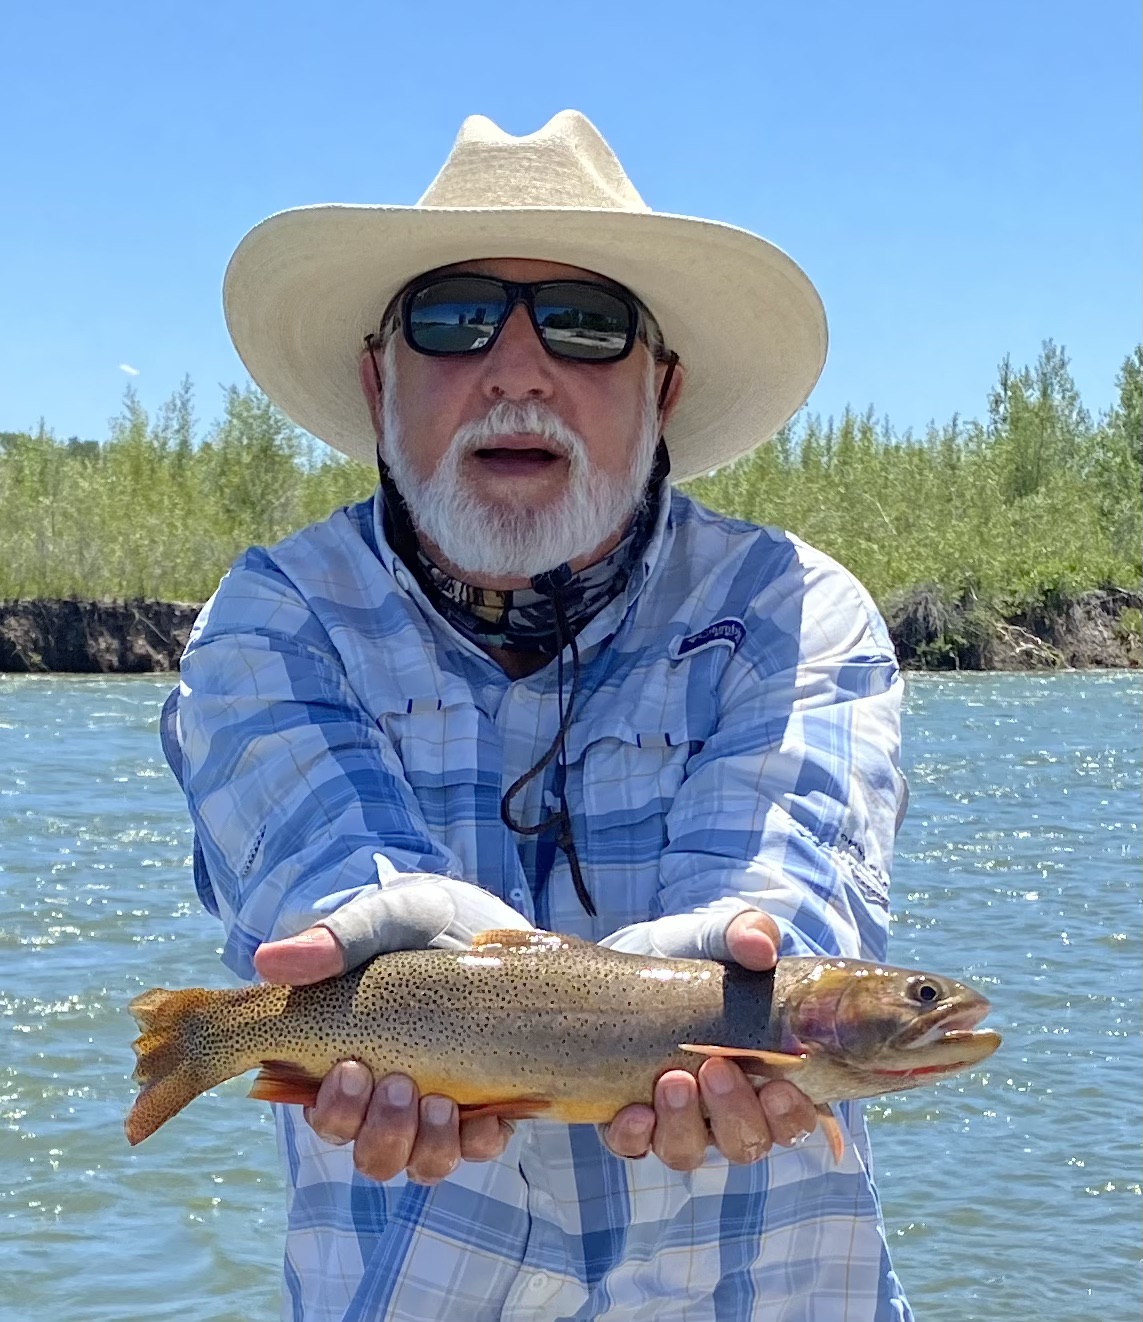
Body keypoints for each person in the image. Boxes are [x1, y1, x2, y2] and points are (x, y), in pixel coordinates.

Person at [165, 110, 912, 1321]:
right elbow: (327, 879)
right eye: (454, 319)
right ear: (377, 378)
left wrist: (743, 970)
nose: (518, 371)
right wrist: (383, 935)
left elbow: (792, 903)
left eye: (586, 323)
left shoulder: (792, 609)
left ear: (661, 388)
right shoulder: (272, 617)